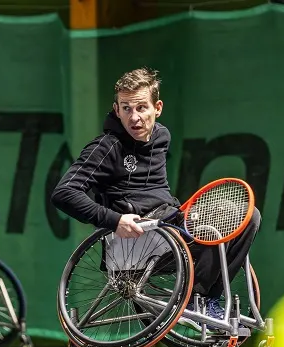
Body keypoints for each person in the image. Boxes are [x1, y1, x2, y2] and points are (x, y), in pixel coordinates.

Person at [50, 67, 261, 322]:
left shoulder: (161, 136)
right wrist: (115, 220)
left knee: (248, 217)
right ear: (117, 110)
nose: (134, 117)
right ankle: (197, 298)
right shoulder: (105, 148)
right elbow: (64, 193)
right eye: (126, 108)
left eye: (141, 108)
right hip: (137, 238)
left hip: (168, 223)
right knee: (205, 228)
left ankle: (206, 298)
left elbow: (157, 192)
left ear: (157, 108)